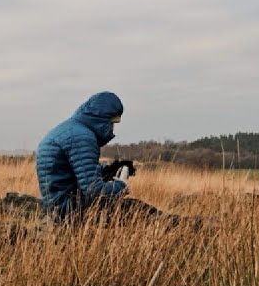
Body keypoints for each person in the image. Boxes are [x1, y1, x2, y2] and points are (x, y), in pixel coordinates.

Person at [36, 91, 165, 223]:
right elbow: (94, 190)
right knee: (141, 211)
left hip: (57, 207)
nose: (113, 128)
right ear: (103, 119)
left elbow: (73, 173)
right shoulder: (82, 137)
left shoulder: (69, 130)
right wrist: (121, 185)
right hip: (71, 212)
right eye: (112, 122)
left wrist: (108, 171)